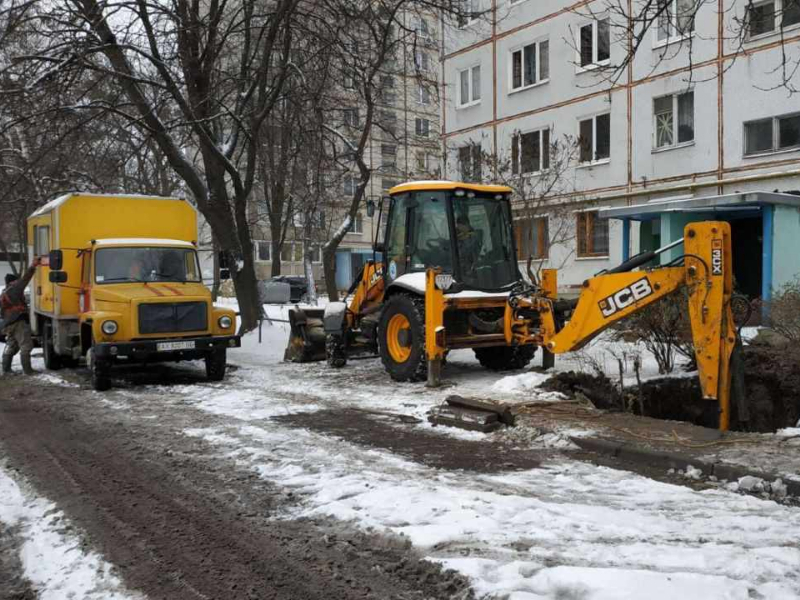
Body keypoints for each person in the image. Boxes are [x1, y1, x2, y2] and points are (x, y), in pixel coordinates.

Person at [1, 258, 42, 375]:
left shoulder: (5, 291)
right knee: (26, 345)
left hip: (9, 323)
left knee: (12, 345)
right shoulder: (14, 289)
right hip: (18, 321)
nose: (17, 282)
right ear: (12, 282)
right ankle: (28, 371)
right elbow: (25, 278)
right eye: (15, 281)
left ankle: (6, 369)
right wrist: (33, 266)